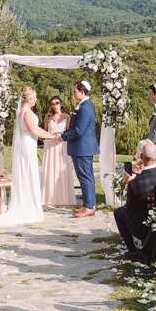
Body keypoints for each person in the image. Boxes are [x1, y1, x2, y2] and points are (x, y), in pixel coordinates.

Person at [0, 86, 57, 227]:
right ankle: (28, 205)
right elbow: (33, 130)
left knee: (30, 172)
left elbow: (37, 129)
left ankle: (30, 202)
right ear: (28, 99)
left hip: (29, 143)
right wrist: (50, 136)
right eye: (34, 98)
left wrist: (50, 135)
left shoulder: (26, 112)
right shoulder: (26, 113)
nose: (36, 100)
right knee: (29, 172)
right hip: (27, 145)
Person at [114, 140, 156, 261]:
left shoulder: (135, 183)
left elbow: (131, 208)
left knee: (119, 212)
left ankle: (133, 250)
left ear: (141, 157)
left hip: (143, 226)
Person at [61, 80, 100, 217]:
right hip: (82, 147)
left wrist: (62, 136)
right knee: (86, 176)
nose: (73, 93)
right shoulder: (85, 105)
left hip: (82, 148)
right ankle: (89, 204)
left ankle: (89, 207)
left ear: (82, 92)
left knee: (84, 176)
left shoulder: (85, 107)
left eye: (75, 91)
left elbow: (78, 130)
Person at [40, 94, 76, 208]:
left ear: (61, 104)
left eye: (57, 103)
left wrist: (61, 136)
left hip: (62, 146)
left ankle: (63, 197)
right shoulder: (48, 117)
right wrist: (49, 137)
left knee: (61, 170)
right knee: (50, 170)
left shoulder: (67, 117)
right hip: (50, 146)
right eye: (52, 103)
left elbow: (69, 132)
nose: (55, 105)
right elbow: (44, 131)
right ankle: (49, 198)